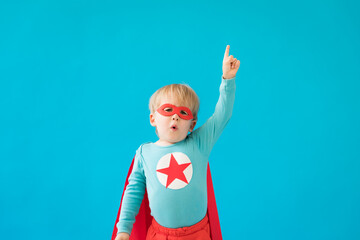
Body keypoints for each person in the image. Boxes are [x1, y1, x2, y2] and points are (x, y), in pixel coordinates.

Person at [115, 45, 240, 240]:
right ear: (153, 119)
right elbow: (133, 192)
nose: (175, 117)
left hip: (198, 234)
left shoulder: (199, 143)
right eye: (168, 110)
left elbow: (222, 115)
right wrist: (123, 231)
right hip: (159, 235)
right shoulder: (144, 153)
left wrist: (228, 80)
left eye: (183, 113)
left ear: (192, 124)